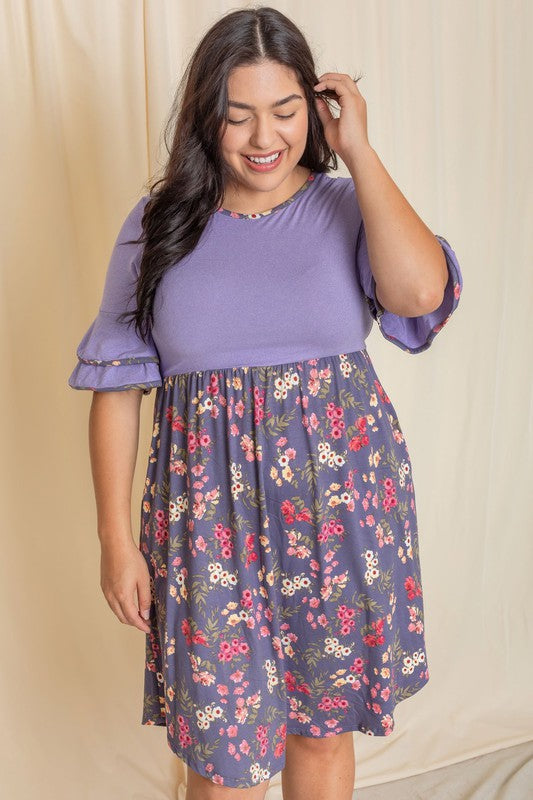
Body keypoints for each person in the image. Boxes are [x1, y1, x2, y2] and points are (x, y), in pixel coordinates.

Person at [67, 6, 463, 799]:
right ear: (204, 116)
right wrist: (117, 541)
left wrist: (357, 148)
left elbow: (420, 292)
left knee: (319, 735)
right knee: (219, 759)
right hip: (203, 527)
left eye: (284, 112)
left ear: (314, 112)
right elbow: (115, 392)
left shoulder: (347, 207)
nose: (261, 137)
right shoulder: (159, 225)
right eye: (236, 115)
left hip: (340, 513)